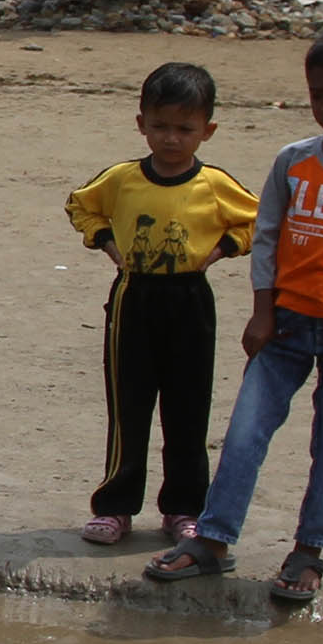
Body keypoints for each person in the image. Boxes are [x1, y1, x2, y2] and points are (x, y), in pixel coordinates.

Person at [145, 26, 323, 609]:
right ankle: (213, 540)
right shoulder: (294, 161)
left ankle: (309, 550)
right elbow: (267, 237)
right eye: (319, 95)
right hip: (287, 323)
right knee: (245, 433)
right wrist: (263, 309)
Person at [64, 60, 257, 549]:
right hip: (133, 297)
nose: (171, 139)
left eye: (184, 129)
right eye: (160, 127)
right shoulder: (123, 179)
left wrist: (218, 252)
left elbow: (257, 221)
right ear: (141, 124)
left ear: (206, 130)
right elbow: (80, 205)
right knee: (129, 407)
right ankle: (114, 507)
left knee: (188, 410)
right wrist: (106, 243)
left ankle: (185, 508)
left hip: (190, 300)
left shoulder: (214, 185)